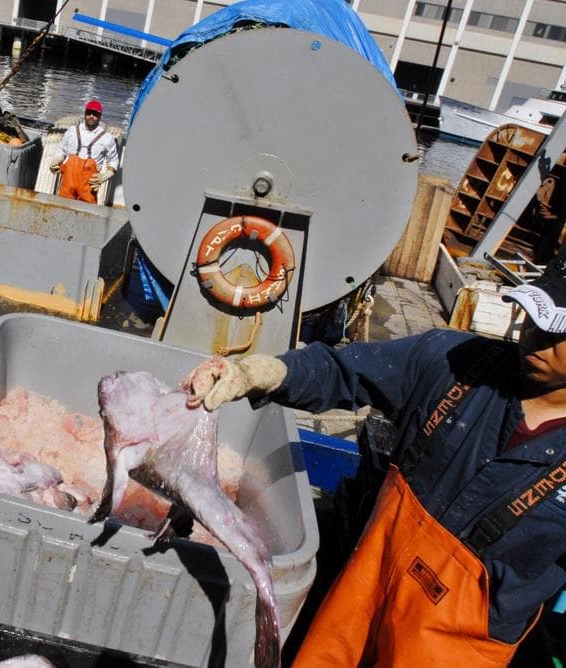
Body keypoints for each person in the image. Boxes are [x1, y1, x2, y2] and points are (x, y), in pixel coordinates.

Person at [183, 254, 566, 666]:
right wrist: (267, 372)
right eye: (531, 315)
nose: (534, 335)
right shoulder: (456, 362)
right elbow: (343, 370)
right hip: (358, 601)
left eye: (556, 329)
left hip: (451, 648)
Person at [49, 99, 119, 204]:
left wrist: (103, 177)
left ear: (100, 116)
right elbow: (61, 150)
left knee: (86, 213)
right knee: (62, 208)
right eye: (89, 113)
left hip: (88, 185)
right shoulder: (72, 131)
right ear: (85, 114)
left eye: (95, 114)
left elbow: (113, 161)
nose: (91, 116)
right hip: (68, 182)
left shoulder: (107, 138)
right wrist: (55, 161)